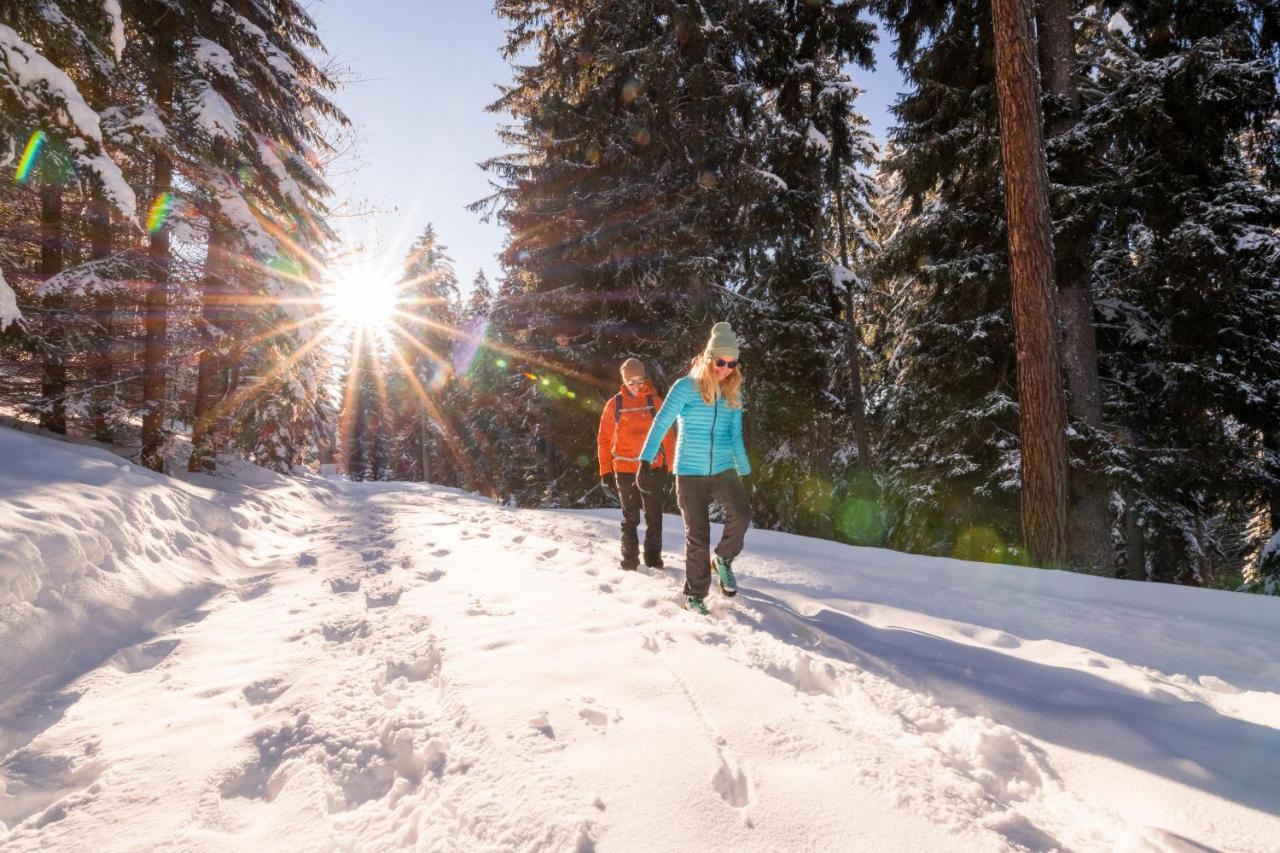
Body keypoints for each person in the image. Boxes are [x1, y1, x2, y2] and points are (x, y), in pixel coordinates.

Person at [636, 322, 751, 615]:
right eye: (720, 361)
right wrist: (645, 461)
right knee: (698, 535)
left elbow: (735, 435)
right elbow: (661, 423)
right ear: (708, 357)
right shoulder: (685, 387)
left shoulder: (733, 392)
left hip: (724, 469)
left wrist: (746, 472)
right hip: (689, 472)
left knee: (741, 515)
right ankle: (696, 593)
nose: (725, 368)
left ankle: (723, 560)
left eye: (731, 363)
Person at [597, 358, 676, 571]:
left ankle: (653, 560)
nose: (636, 386)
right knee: (630, 517)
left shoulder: (655, 402)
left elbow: (669, 436)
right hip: (624, 470)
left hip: (652, 469)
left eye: (639, 381)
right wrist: (605, 472)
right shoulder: (615, 404)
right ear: (624, 382)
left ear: (645, 379)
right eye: (631, 382)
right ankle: (629, 561)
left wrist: (671, 469)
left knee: (654, 517)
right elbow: (604, 440)